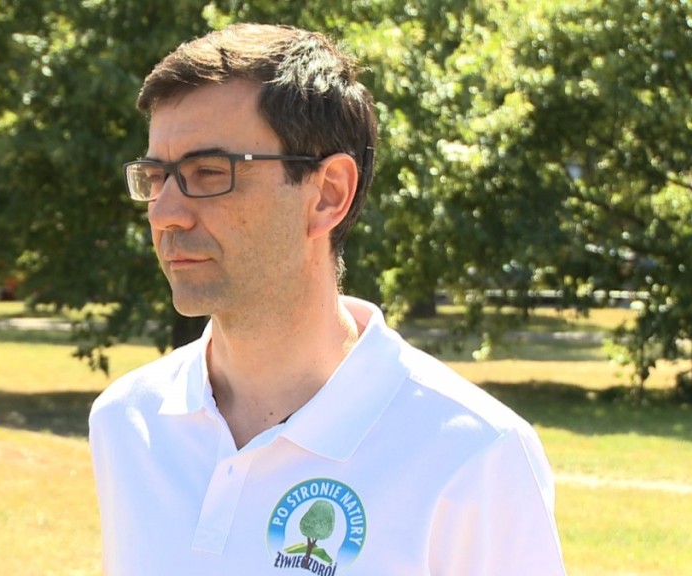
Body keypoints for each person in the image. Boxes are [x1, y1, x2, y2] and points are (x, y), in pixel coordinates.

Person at [88, 23, 566, 575]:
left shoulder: (474, 456)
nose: (165, 213)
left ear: (328, 193)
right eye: (156, 177)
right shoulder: (128, 423)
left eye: (209, 172)